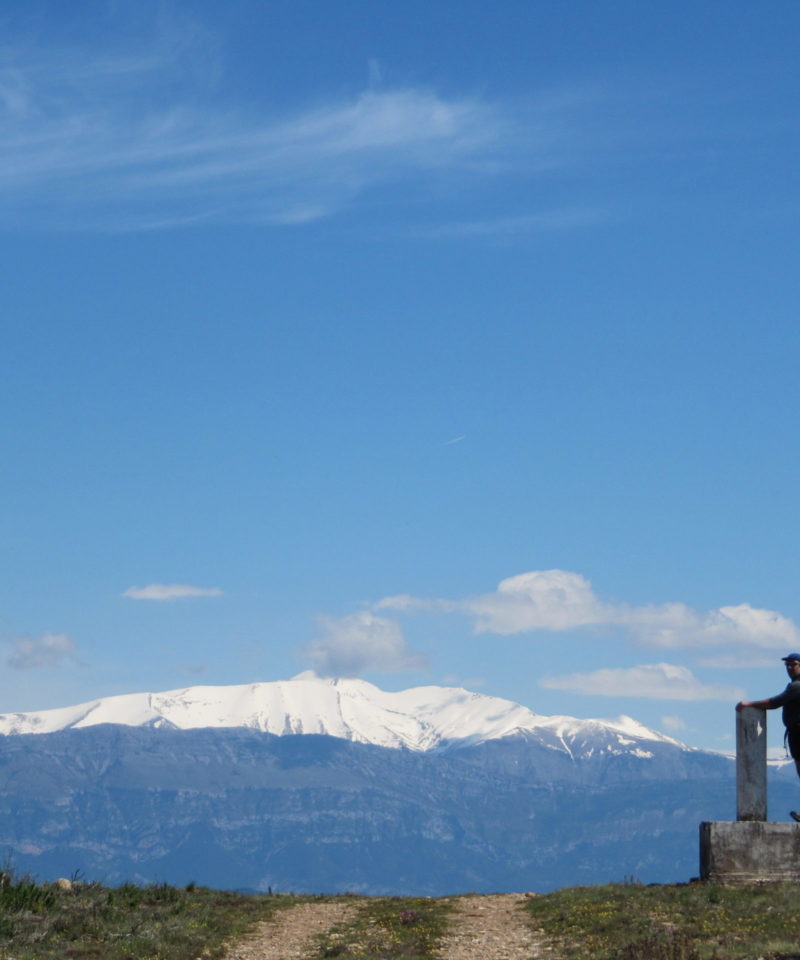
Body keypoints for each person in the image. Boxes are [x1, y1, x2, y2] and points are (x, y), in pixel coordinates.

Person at [736, 652, 800, 822]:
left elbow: (775, 702)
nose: (789, 667)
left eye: (793, 664)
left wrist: (749, 704)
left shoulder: (797, 686)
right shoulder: (793, 685)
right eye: (787, 664)